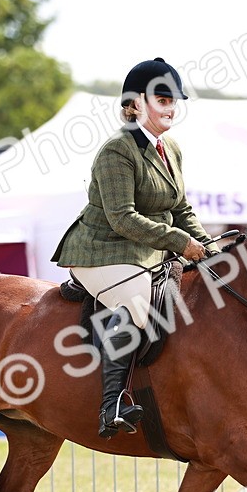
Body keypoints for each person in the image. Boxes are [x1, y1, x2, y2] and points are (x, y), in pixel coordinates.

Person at [51, 57, 218, 438]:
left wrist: (209, 247)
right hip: (102, 251)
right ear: (136, 103)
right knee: (137, 301)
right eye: (162, 99)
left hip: (146, 252)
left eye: (174, 100)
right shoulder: (117, 151)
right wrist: (181, 242)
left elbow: (180, 209)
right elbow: (122, 218)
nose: (171, 107)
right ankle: (111, 406)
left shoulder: (170, 148)